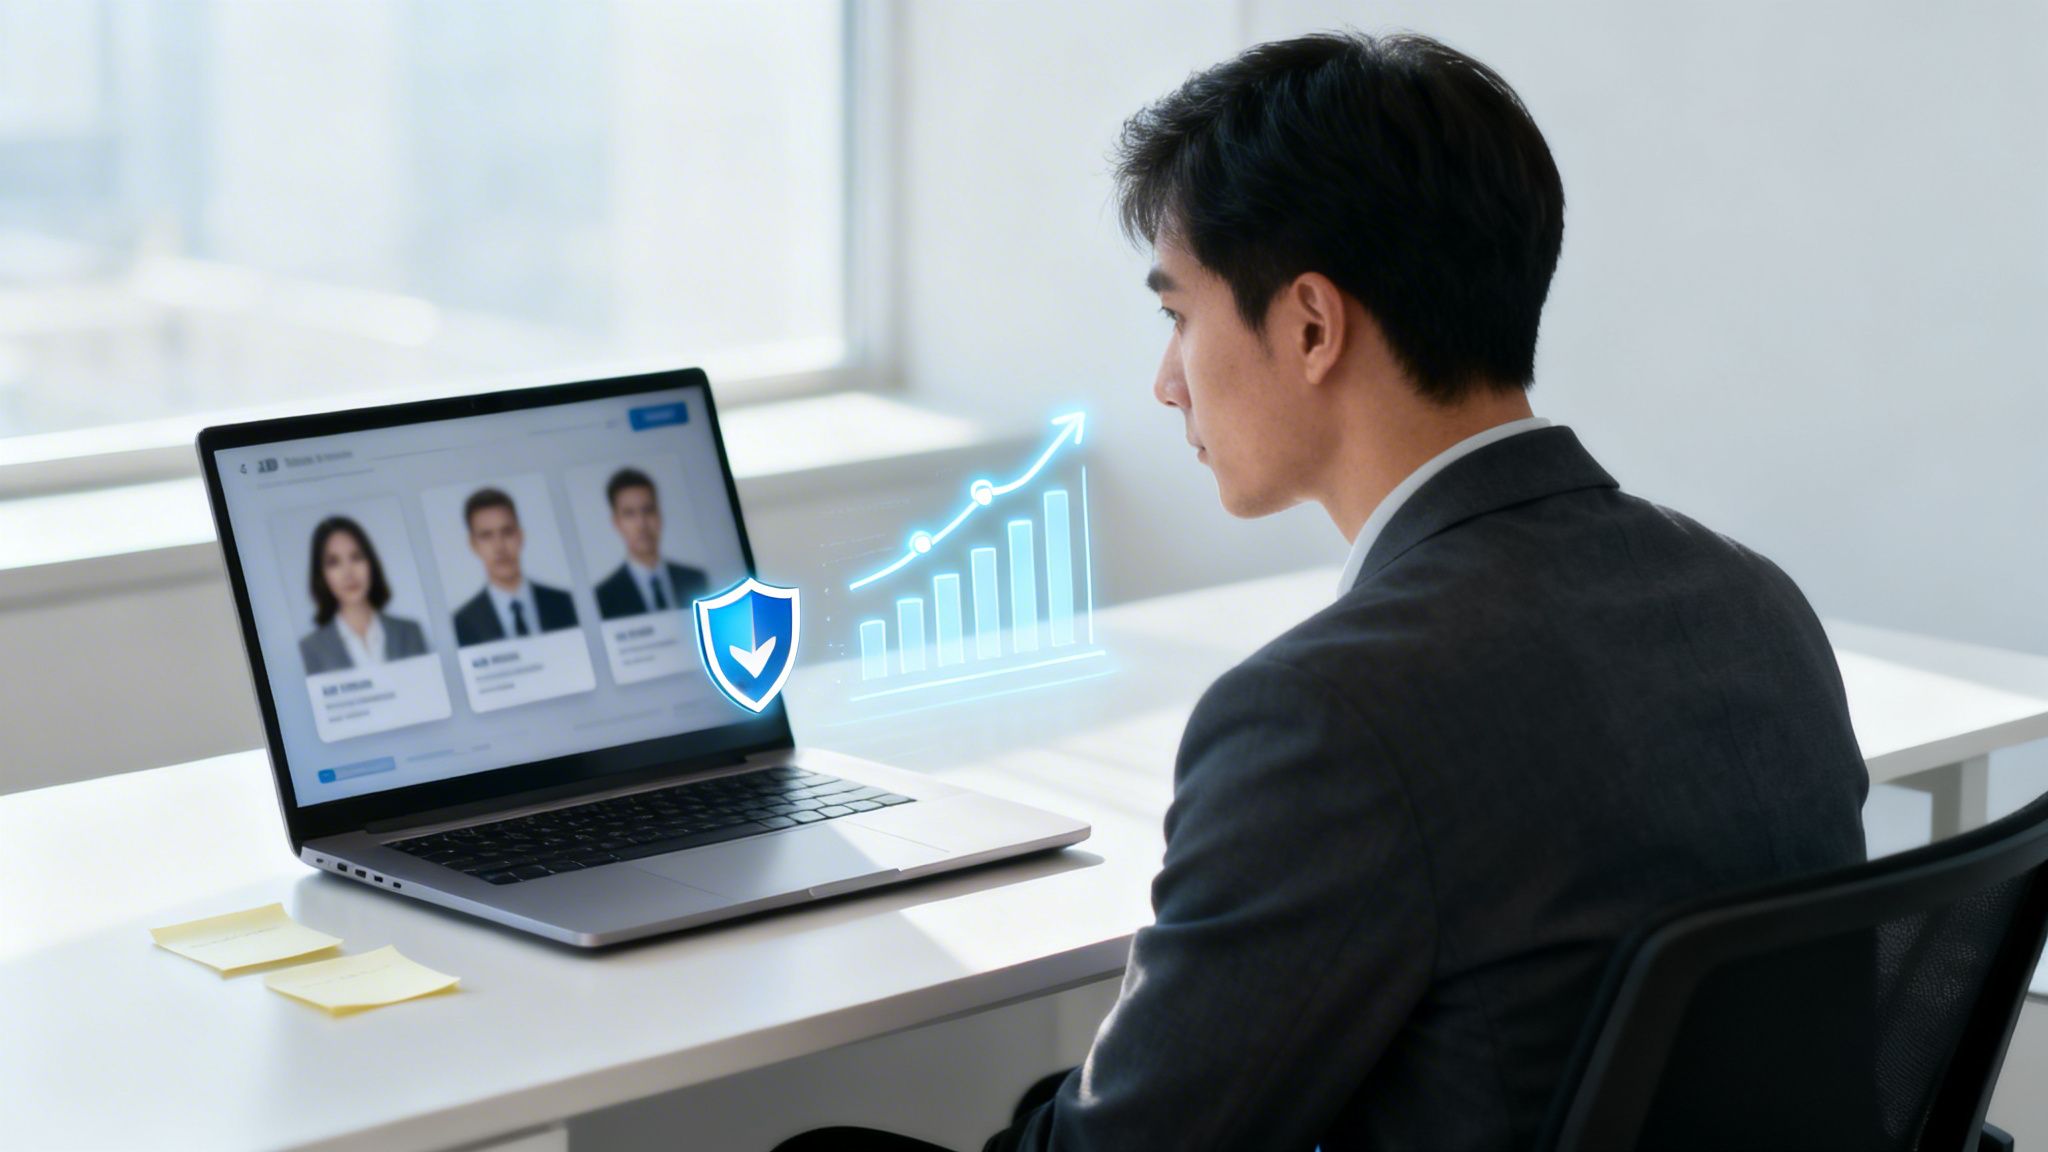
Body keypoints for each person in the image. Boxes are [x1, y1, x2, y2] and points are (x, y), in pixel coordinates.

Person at [778, 29, 1868, 1152]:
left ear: (1308, 324)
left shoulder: (1329, 715)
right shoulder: (1752, 604)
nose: (1164, 382)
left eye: (1175, 315)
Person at [298, 515, 430, 675]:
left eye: (356, 557)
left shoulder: (409, 632)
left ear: (371, 563)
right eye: (334, 562)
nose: (348, 573)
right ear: (322, 575)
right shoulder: (311, 649)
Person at [451, 487, 579, 646]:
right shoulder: (461, 624)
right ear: (473, 544)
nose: (499, 547)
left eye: (507, 532)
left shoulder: (565, 604)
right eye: (486, 536)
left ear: (520, 536)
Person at [592, 467, 709, 620]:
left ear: (659, 515)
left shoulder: (696, 579)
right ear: (617, 522)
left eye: (648, 510)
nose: (642, 524)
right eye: (629, 514)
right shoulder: (604, 597)